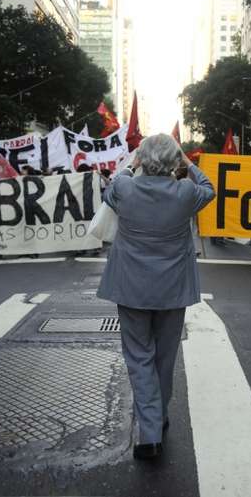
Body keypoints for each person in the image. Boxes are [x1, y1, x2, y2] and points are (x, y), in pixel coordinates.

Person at [97, 134, 215, 460]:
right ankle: (158, 418)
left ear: (141, 159)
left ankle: (149, 432)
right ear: (175, 162)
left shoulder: (125, 188)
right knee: (164, 358)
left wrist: (131, 165)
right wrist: (189, 164)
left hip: (131, 288)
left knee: (139, 359)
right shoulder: (186, 192)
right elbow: (210, 188)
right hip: (172, 290)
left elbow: (110, 188)